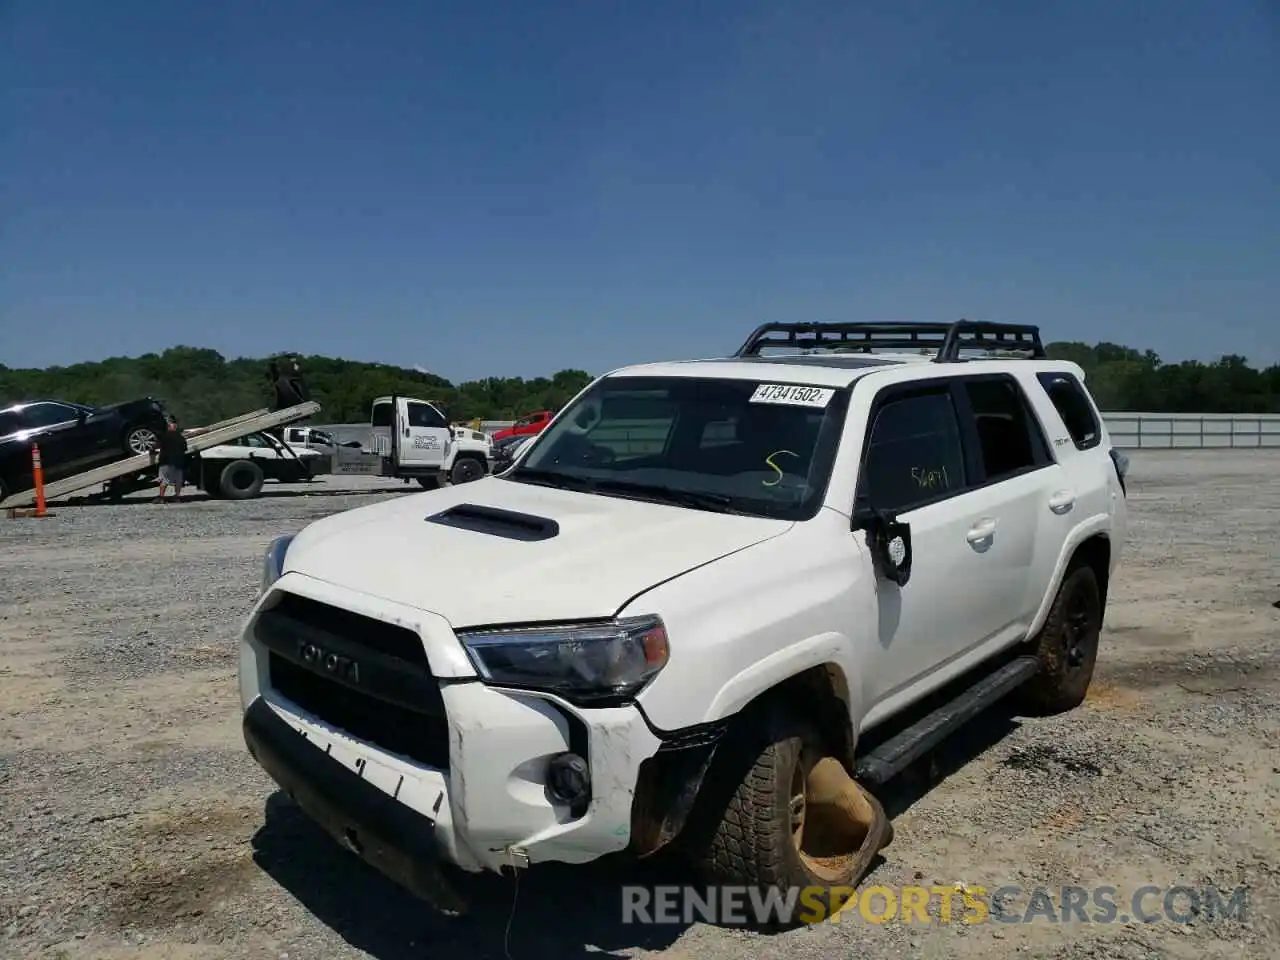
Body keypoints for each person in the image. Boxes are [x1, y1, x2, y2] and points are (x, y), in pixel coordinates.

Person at [153, 417, 187, 503]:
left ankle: (161, 497)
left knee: (164, 480)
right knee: (178, 481)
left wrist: (152, 451)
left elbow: (156, 446)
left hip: (166, 461)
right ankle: (177, 497)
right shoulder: (181, 438)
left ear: (168, 427)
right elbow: (184, 449)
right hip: (178, 462)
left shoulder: (164, 436)